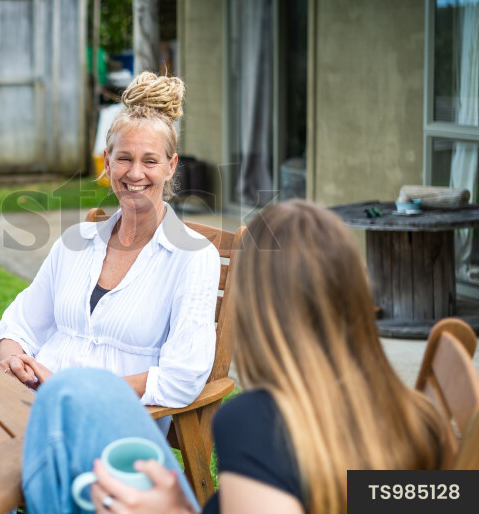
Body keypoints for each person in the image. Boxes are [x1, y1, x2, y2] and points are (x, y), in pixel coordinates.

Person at [23, 201, 452, 514]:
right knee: (80, 395)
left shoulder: (257, 425)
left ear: (256, 312)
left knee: (71, 401)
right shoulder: (419, 420)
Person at [0, 71, 221, 422]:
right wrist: (11, 359)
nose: (134, 173)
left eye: (150, 161)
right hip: (34, 402)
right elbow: (20, 325)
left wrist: (75, 389)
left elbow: (183, 376)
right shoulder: (76, 242)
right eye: (124, 158)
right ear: (108, 163)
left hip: (113, 419)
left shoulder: (193, 257)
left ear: (171, 167)